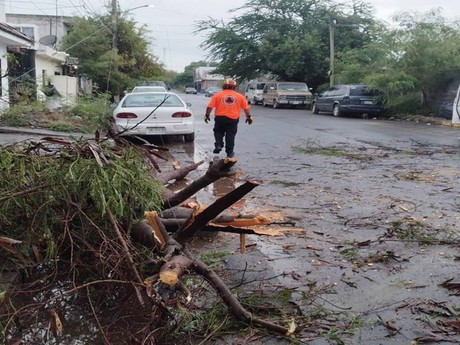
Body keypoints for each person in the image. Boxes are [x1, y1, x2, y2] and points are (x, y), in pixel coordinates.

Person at [204, 79, 253, 158]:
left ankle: (219, 145)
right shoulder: (240, 96)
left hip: (220, 118)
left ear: (224, 86)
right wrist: (248, 117)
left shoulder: (217, 95)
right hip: (233, 119)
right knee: (230, 135)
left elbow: (209, 107)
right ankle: (229, 152)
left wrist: (207, 115)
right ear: (234, 87)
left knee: (218, 132)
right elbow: (246, 108)